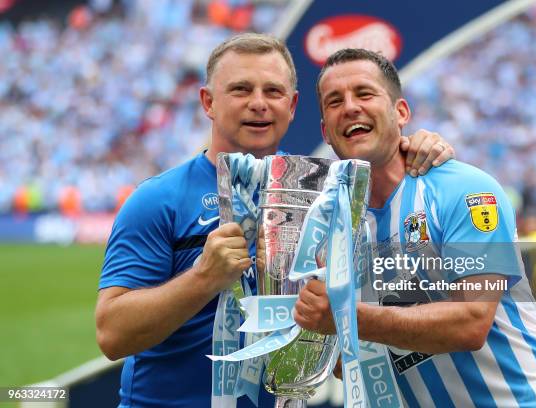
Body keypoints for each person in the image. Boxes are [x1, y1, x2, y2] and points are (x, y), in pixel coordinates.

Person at [95, 34, 455, 407]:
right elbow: (112, 335)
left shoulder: (324, 192)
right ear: (208, 102)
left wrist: (419, 146)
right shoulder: (159, 199)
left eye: (273, 91)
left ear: (293, 104)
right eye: (240, 89)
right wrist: (203, 278)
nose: (258, 104)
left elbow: (350, 338)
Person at [293, 48, 536, 407]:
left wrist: (345, 315)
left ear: (401, 112)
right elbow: (348, 362)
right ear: (326, 132)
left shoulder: (465, 189)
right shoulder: (333, 232)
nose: (350, 107)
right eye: (335, 101)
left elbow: (472, 321)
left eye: (364, 93)